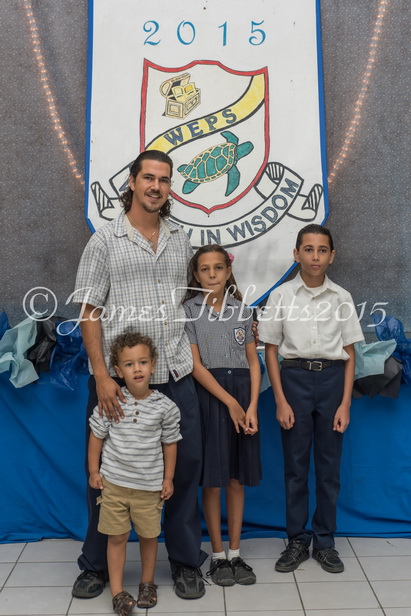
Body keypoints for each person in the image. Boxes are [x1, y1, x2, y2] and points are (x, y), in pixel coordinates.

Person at [72, 150, 207, 601]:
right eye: (148, 177)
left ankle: (185, 562)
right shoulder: (104, 241)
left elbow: (188, 302)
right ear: (131, 182)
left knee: (183, 471)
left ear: (170, 188)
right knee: (106, 474)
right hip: (120, 383)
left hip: (175, 372)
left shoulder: (180, 239)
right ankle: (95, 566)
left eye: (164, 180)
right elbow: (89, 311)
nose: (156, 186)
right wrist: (101, 376)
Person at [259, 224, 364, 573]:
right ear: (296, 254)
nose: (315, 256)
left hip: (333, 381)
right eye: (308, 249)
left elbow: (350, 352)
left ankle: (325, 540)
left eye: (322, 250)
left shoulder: (342, 298)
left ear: (331, 256)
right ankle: (297, 540)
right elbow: (270, 350)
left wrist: (345, 403)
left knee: (329, 468)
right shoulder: (281, 296)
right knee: (296, 466)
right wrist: (280, 400)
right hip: (294, 380)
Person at [183, 245, 262, 586]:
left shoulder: (242, 310)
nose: (212, 274)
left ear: (228, 273)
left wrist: (252, 405)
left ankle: (235, 553)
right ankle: (217, 556)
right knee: (214, 479)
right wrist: (230, 402)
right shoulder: (188, 311)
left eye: (218, 268)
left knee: (235, 478)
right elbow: (195, 366)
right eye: (205, 269)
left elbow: (253, 362)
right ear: (196, 275)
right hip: (212, 396)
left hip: (243, 396)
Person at [89, 332, 181, 612]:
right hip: (114, 485)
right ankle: (117, 592)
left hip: (149, 487)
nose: (137, 369)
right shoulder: (111, 401)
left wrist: (168, 478)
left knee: (149, 537)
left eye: (142, 362)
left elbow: (170, 443)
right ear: (118, 371)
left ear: (153, 365)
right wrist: (94, 471)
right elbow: (96, 436)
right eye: (129, 364)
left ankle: (147, 583)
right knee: (116, 538)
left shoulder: (165, 406)